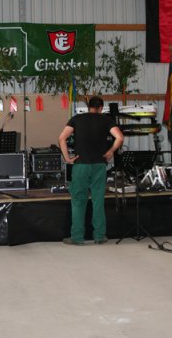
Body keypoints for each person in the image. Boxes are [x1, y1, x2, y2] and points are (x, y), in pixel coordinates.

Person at [58, 96, 123, 245]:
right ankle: (99, 236)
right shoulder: (106, 120)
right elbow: (119, 137)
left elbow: (61, 138)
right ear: (101, 108)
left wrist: (67, 158)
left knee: (78, 201)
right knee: (98, 201)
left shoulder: (76, 119)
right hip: (99, 165)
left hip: (81, 165)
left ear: (88, 107)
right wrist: (111, 151)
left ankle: (77, 237)